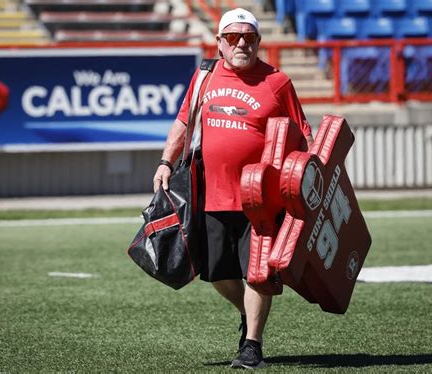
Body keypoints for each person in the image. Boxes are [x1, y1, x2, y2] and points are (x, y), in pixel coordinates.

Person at [153, 8, 314, 369]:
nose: (241, 43)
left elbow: (304, 135)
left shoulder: (278, 82)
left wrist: (303, 177)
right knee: (218, 274)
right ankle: (247, 313)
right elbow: (183, 123)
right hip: (213, 193)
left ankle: (252, 345)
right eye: (232, 37)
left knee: (257, 272)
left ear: (259, 42)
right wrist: (165, 162)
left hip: (262, 198)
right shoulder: (205, 76)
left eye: (249, 37)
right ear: (220, 43)